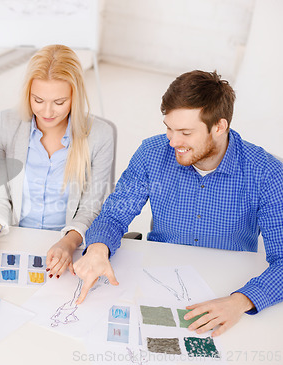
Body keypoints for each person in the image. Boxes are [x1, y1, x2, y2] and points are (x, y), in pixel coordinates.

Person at [74, 70, 283, 337]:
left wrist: (241, 301)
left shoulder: (267, 173)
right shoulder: (152, 153)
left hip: (229, 284)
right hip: (158, 279)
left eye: (185, 132)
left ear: (219, 127)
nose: (173, 142)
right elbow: (115, 214)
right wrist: (98, 248)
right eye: (169, 128)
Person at [0, 44, 115, 279]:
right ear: (28, 94)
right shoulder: (5, 124)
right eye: (38, 99)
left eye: (59, 102)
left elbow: (91, 207)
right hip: (14, 237)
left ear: (75, 96)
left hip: (69, 244)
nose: (47, 112)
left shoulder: (100, 135)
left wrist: (69, 242)